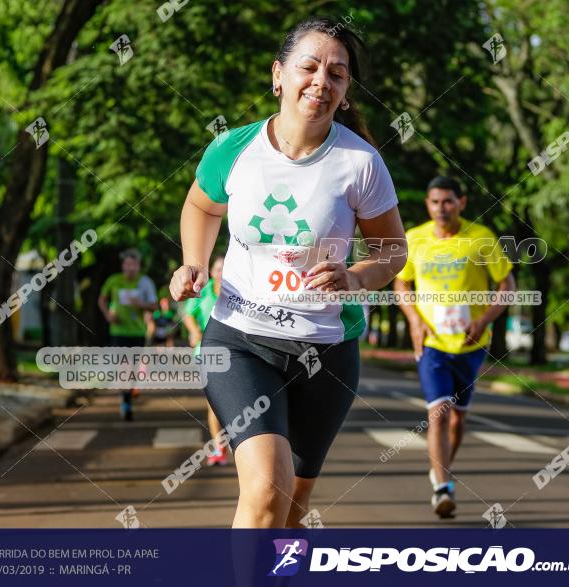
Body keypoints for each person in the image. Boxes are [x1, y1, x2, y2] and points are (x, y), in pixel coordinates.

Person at [169, 17, 406, 529]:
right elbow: (201, 207)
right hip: (240, 341)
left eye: (338, 74)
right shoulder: (233, 149)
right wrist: (193, 261)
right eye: (310, 66)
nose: (322, 81)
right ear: (279, 75)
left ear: (345, 93)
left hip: (326, 352)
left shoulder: (360, 163)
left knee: (291, 513)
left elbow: (392, 251)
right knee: (264, 489)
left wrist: (357, 277)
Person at [394, 176, 515, 519]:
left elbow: (507, 285)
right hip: (431, 343)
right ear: (428, 205)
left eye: (448, 201)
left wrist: (486, 318)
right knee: (439, 413)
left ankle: (440, 469)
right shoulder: (415, 239)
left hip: (471, 343)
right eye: (434, 202)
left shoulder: (481, 239)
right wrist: (414, 320)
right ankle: (442, 488)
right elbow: (401, 283)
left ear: (462, 203)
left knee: (457, 420)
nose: (440, 208)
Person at [98, 248, 158, 421]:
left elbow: (154, 306)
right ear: (123, 266)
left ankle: (128, 394)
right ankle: (125, 401)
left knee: (131, 368)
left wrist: (141, 304)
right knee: (124, 366)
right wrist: (108, 315)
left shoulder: (145, 282)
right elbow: (101, 299)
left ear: (138, 266)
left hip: (138, 331)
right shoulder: (114, 281)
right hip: (118, 331)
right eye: (127, 264)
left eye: (133, 264)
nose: (130, 268)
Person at [182, 255, 228, 466]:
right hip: (207, 351)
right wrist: (195, 331)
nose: (220, 272)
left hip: (237, 352)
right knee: (214, 404)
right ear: (212, 272)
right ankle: (219, 447)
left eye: (224, 268)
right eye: (217, 268)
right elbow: (188, 314)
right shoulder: (204, 290)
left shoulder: (238, 289)